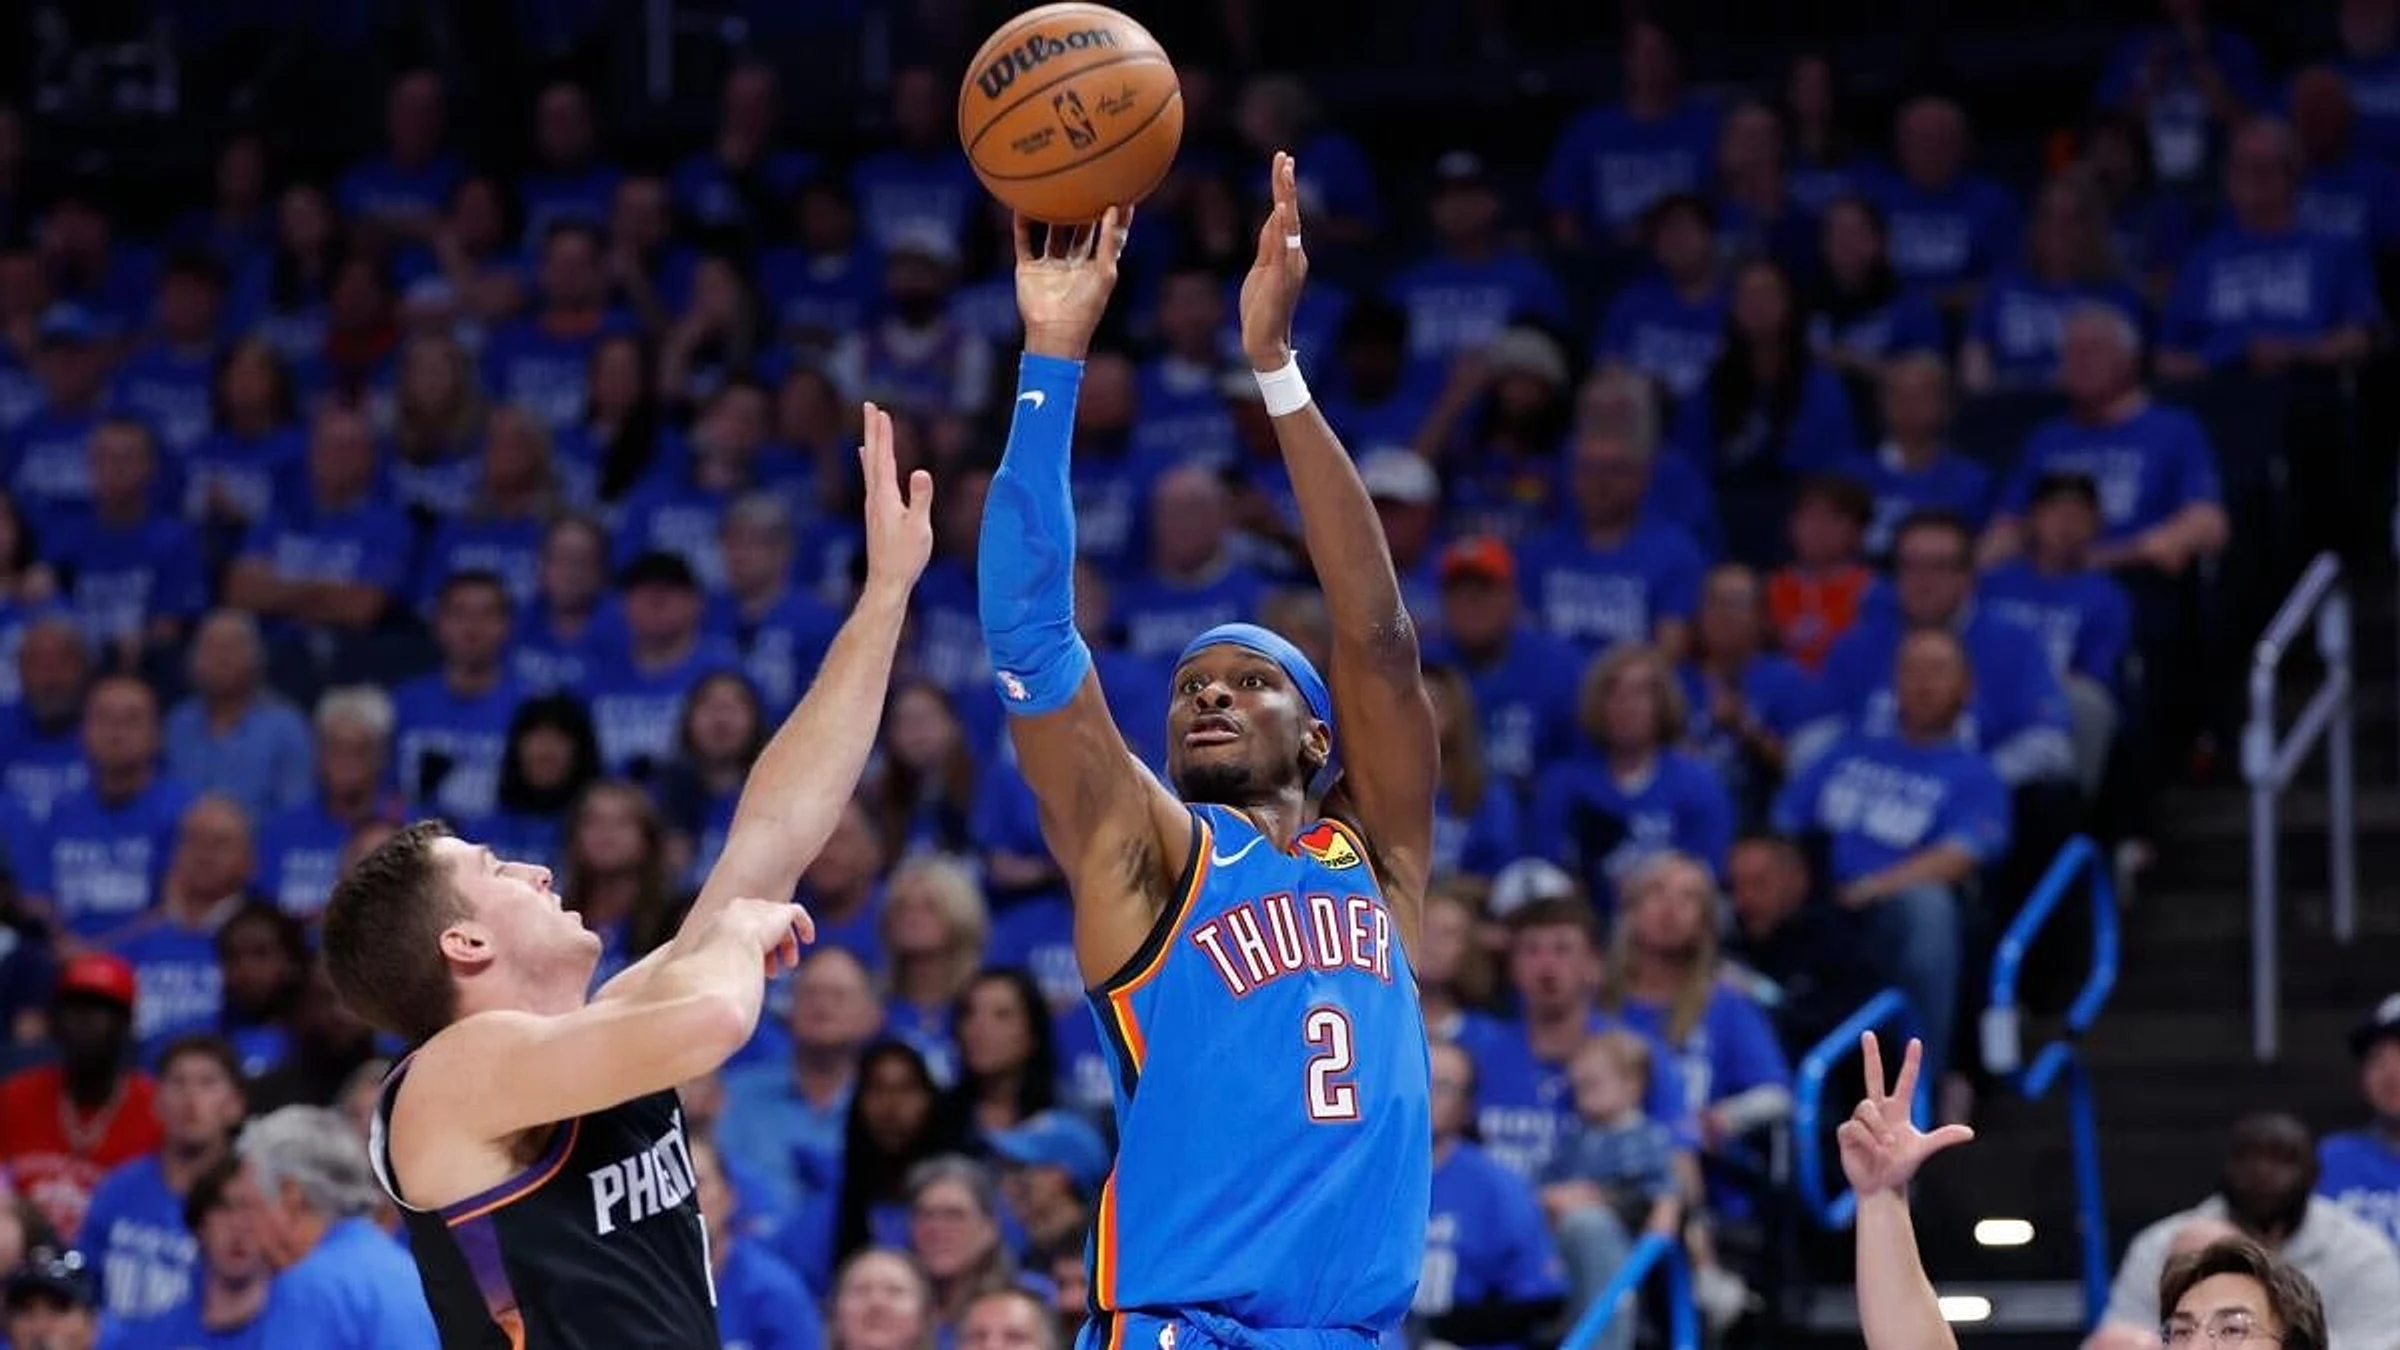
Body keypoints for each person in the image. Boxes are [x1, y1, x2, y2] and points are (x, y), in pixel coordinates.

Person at [322, 400, 934, 1347]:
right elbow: (716, 1017)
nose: (535, 870)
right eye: (495, 868)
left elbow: (772, 834)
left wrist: (885, 595)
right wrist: (731, 936)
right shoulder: (447, 1079)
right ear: (465, 941)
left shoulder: (603, 1037)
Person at [975, 151, 1435, 1350]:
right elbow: (1029, 635)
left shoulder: (1379, 862)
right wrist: (1052, 359)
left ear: (1319, 736)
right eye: (1188, 689)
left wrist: (1275, 370)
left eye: (1251, 680)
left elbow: (1379, 639)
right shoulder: (1149, 857)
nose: (1212, 695)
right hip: (1189, 1330)